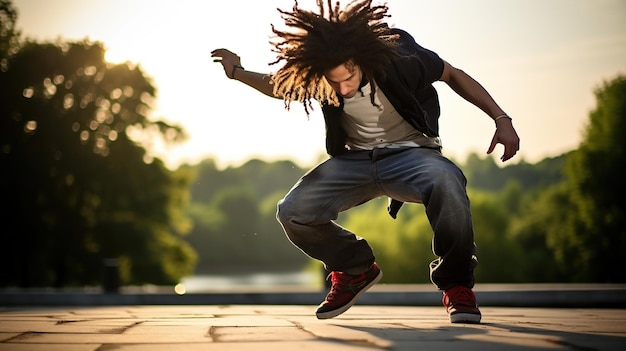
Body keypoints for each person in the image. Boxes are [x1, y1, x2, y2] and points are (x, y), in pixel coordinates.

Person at [211, 0, 519, 323]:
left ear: (361, 60)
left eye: (350, 77)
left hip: (412, 156)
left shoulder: (401, 58)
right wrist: (237, 73)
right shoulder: (323, 77)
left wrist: (501, 118)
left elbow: (452, 73)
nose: (343, 89)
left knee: (448, 180)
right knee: (292, 211)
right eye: (334, 82)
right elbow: (279, 85)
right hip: (356, 162)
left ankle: (457, 285)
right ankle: (355, 267)